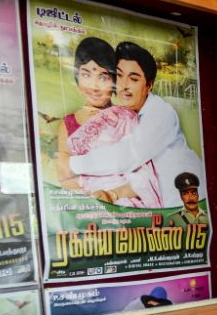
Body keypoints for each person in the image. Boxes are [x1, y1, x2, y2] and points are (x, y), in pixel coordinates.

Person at [64, 41, 205, 209]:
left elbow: (127, 155)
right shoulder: (123, 116)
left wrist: (73, 164)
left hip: (182, 203)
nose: (124, 85)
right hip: (155, 208)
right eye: (119, 76)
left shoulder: (161, 112)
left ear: (149, 85)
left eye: (134, 78)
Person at [55, 37, 163, 208]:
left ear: (114, 81)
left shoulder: (126, 118)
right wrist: (89, 197)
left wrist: (111, 194)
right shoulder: (68, 124)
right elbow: (64, 176)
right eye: (86, 74)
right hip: (87, 208)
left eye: (103, 77)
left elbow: (146, 177)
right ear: (77, 77)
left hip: (126, 206)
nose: (94, 86)